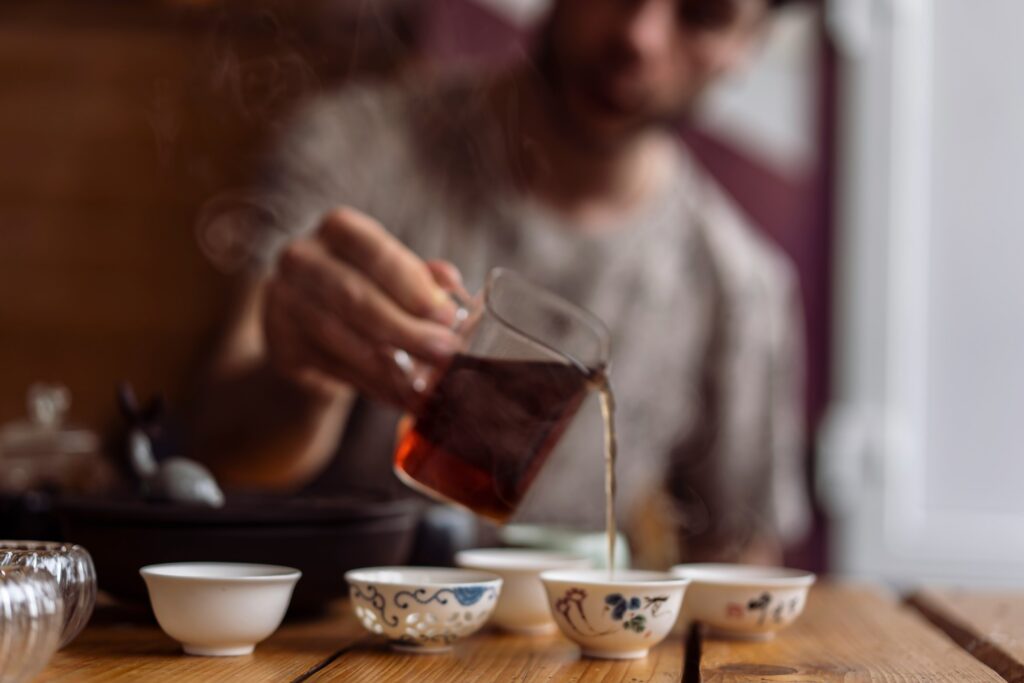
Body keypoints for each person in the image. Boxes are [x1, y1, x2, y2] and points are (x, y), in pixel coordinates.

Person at [192, 0, 810, 566]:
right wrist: (303, 380)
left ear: (750, 44)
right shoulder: (357, 150)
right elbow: (219, 454)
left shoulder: (738, 288)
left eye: (702, 14)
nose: (638, 36)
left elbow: (737, 561)